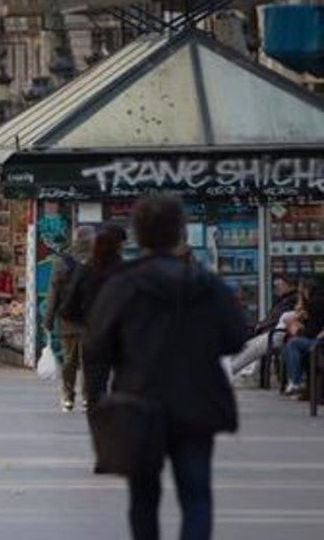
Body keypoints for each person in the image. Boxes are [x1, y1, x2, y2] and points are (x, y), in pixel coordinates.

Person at [85, 195, 247, 540]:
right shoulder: (205, 283)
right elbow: (235, 337)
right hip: (197, 402)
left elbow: (96, 345)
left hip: (140, 401)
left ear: (139, 235)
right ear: (179, 233)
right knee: (196, 495)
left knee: (143, 496)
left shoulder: (123, 284)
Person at [60, 225, 126, 408]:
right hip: (109, 326)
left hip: (86, 324)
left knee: (86, 365)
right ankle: (97, 398)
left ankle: (85, 398)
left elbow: (69, 297)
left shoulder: (84, 267)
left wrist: (66, 315)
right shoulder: (123, 269)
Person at [41, 226, 92, 412]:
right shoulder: (98, 261)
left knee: (69, 360)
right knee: (89, 361)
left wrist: (48, 319)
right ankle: (88, 397)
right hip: (92, 321)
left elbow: (53, 292)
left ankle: (68, 397)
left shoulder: (62, 261)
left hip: (68, 319)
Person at [228, 275, 298, 379]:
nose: (278, 287)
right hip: (269, 331)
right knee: (246, 345)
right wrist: (259, 326)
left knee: (251, 349)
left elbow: (276, 320)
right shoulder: (283, 300)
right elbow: (272, 318)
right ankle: (228, 368)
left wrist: (260, 327)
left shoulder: (291, 300)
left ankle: (230, 370)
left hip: (276, 333)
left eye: (281, 285)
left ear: (290, 286)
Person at [281, 277, 324, 397]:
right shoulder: (312, 304)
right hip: (316, 340)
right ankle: (297, 381)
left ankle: (296, 381)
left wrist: (297, 330)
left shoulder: (316, 304)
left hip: (318, 342)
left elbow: (313, 331)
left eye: (300, 290)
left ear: (307, 289)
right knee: (292, 343)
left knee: (293, 344)